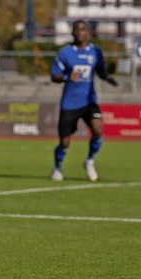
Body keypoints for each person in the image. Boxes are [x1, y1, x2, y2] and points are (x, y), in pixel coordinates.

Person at [50, 20, 117, 182]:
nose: (80, 32)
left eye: (83, 29)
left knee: (98, 130)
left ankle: (89, 161)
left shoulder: (95, 52)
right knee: (65, 142)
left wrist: (108, 78)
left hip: (89, 101)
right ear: (73, 32)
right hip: (69, 103)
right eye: (77, 30)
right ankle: (58, 166)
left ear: (88, 32)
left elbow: (101, 71)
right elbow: (54, 76)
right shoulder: (65, 53)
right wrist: (67, 77)